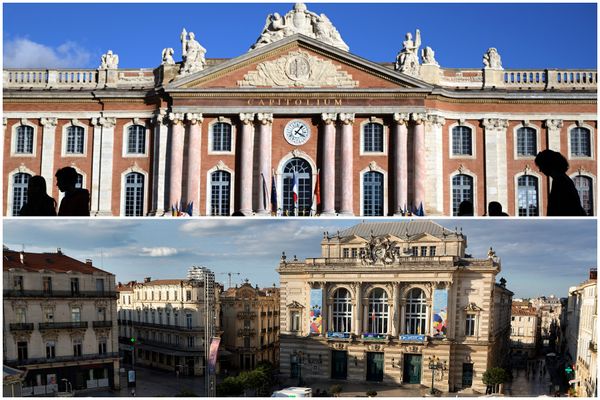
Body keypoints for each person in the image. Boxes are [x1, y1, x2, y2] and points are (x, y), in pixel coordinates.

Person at [534, 150, 586, 216]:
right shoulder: (562, 179)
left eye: (541, 166)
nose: (540, 170)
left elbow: (559, 209)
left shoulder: (560, 181)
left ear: (548, 164)